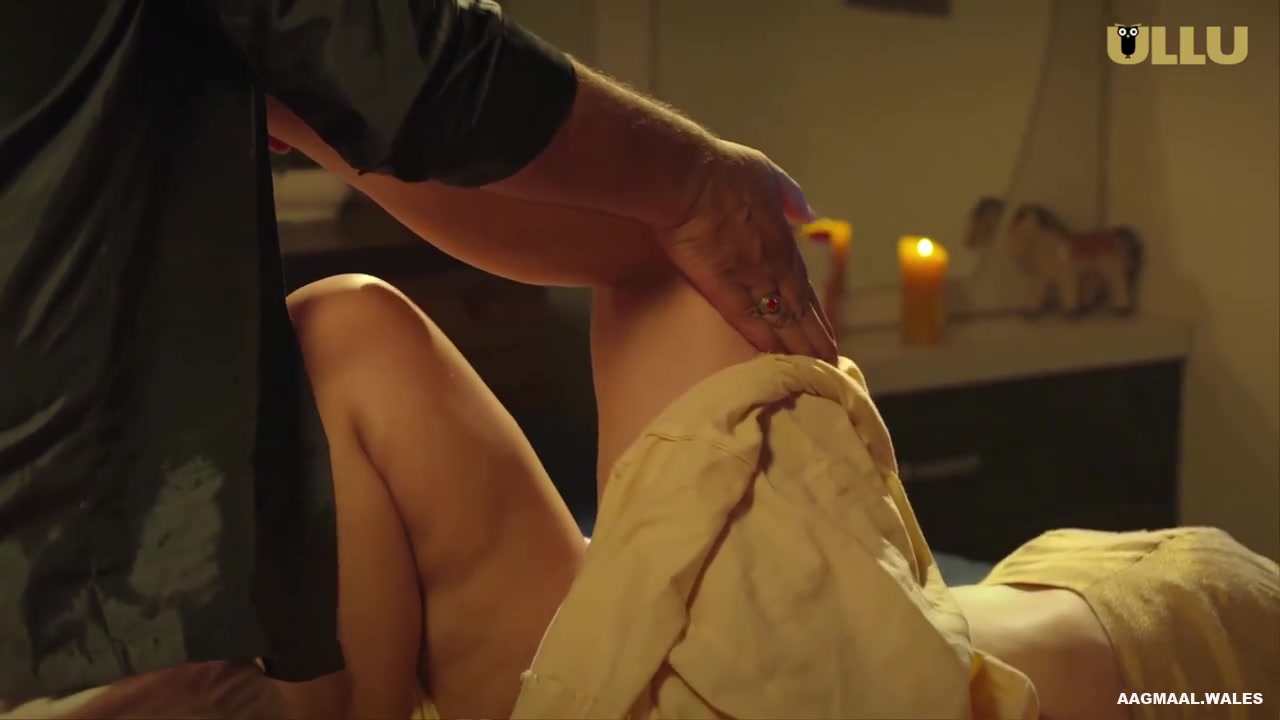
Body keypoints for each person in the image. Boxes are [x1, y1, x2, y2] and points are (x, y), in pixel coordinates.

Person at [13, 117, 1276, 719]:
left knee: (348, 325)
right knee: (683, 249)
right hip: (1155, 636)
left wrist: (315, 99)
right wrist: (319, 98)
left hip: (1131, 617)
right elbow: (670, 234)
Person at [0, 0, 835, 706]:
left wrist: (301, 96)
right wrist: (699, 185)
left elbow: (383, 69)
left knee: (351, 337)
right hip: (88, 650)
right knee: (685, 281)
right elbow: (411, 66)